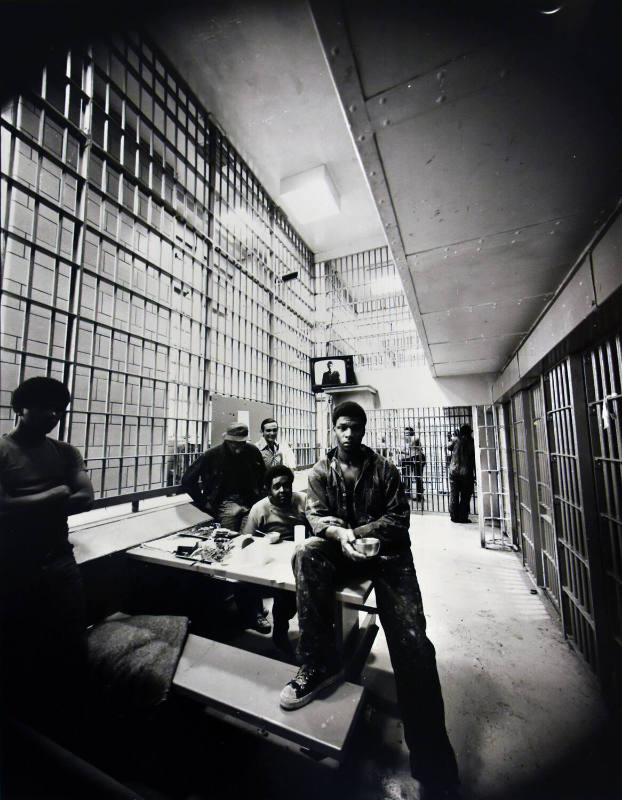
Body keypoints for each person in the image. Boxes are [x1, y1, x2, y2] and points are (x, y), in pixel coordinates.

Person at [280, 401, 460, 799]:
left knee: (413, 644)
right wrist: (340, 536)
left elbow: (398, 520)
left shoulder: (386, 470)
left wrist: (358, 531)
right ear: (333, 429)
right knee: (306, 553)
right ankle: (318, 660)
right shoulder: (320, 472)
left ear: (364, 429)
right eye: (342, 428)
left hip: (388, 556)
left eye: (355, 428)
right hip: (343, 550)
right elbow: (316, 516)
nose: (349, 435)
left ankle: (432, 758)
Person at [0, 377, 94, 742]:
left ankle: (68, 728)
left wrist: (25, 504)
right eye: (45, 407)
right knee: (17, 646)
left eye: (59, 409)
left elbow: (85, 497)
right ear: (20, 407)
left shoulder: (66, 452)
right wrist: (55, 493)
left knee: (69, 644)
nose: (54, 415)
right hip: (11, 567)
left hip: (58, 561)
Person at [181, 422, 270, 632]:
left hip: (248, 504)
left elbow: (263, 477)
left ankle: (252, 610)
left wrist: (259, 500)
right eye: (234, 444)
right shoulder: (212, 455)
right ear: (226, 440)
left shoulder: (252, 451)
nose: (238, 448)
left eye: (241, 444)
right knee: (228, 558)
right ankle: (244, 611)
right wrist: (205, 504)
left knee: (249, 554)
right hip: (226, 505)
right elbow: (188, 480)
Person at [242, 465, 305, 656]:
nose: (283, 490)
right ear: (268, 489)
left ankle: (287, 629)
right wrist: (265, 540)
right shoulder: (259, 508)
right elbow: (245, 541)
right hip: (271, 562)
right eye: (277, 486)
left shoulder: (302, 500)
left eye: (287, 485)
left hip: (299, 557)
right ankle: (280, 631)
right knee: (284, 593)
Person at [448, 424, 476, 524]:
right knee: (465, 496)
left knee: (454, 494)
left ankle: (453, 516)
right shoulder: (472, 442)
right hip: (466, 472)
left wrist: (453, 437)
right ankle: (463, 517)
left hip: (453, 471)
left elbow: (448, 447)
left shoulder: (456, 440)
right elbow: (473, 459)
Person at [401, 426, 426, 503]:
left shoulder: (414, 438)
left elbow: (409, 449)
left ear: (411, 433)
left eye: (407, 433)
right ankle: (417, 494)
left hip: (417, 457)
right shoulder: (410, 440)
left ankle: (419, 495)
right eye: (405, 433)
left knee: (417, 476)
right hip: (414, 457)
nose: (406, 435)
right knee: (416, 476)